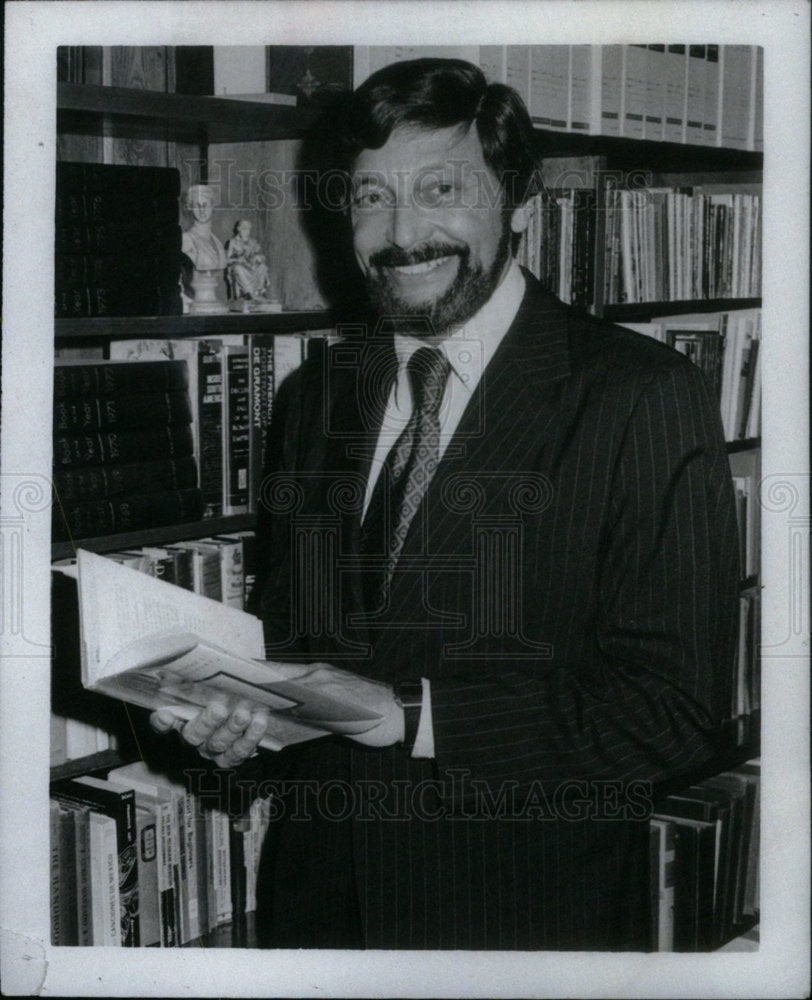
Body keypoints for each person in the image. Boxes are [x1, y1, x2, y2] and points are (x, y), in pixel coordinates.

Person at [152, 58, 740, 950]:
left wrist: (412, 715)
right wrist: (235, 714)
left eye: (440, 188)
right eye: (371, 198)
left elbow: (675, 711)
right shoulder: (315, 396)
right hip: (319, 912)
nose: (403, 232)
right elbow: (296, 641)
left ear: (520, 207)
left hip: (522, 920)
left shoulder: (641, 395)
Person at [225, 219, 271, 301]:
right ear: (239, 229)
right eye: (244, 229)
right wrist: (237, 259)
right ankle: (247, 293)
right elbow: (226, 260)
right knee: (238, 268)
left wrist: (259, 257)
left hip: (251, 266)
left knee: (262, 267)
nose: (247, 231)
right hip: (240, 266)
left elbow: (260, 255)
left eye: (249, 229)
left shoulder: (253, 242)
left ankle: (258, 292)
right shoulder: (233, 242)